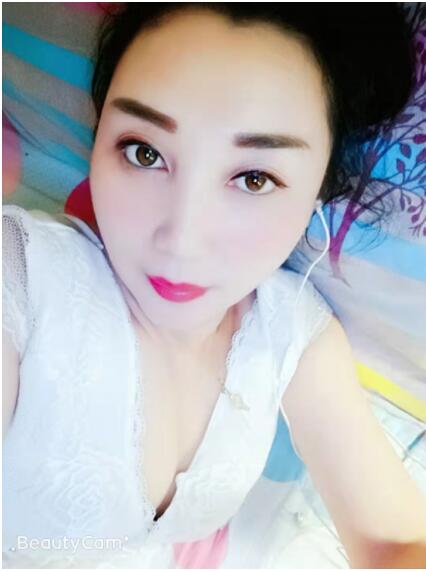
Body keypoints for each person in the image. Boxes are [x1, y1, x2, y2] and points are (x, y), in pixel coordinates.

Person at [3, 2, 426, 568]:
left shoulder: (291, 334)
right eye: (144, 152)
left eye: (254, 178)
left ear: (317, 194)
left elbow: (394, 541)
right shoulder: (21, 280)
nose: (182, 241)